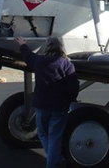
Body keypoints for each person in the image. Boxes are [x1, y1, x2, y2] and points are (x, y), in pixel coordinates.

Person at [16, 36, 79, 168]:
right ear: (61, 47)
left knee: (42, 133)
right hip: (60, 107)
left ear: (47, 47)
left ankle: (54, 161)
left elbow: (28, 56)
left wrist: (22, 44)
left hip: (42, 106)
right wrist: (71, 99)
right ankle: (55, 160)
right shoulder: (67, 65)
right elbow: (74, 87)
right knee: (55, 137)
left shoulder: (39, 61)